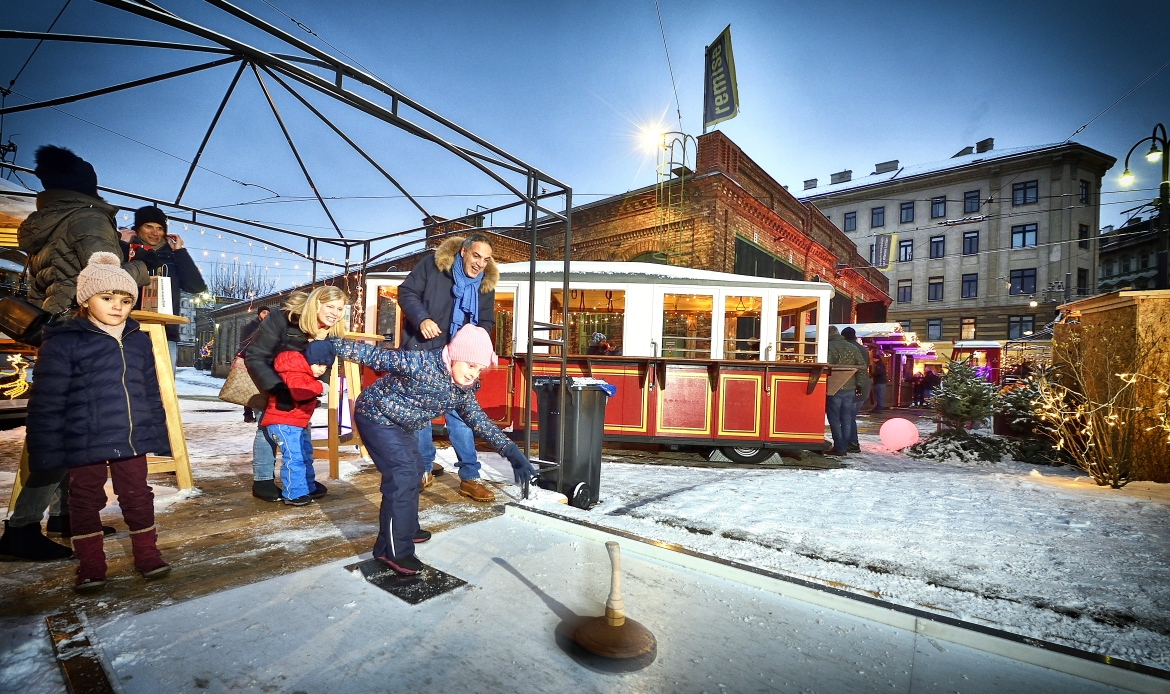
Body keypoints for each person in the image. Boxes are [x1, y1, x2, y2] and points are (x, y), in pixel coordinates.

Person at [0, 146, 155, 561]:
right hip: (86, 333)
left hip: (59, 328)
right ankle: (21, 528)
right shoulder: (87, 217)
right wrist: (146, 263)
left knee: (74, 427)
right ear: (86, 183)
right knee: (66, 430)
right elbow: (110, 279)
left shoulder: (45, 223)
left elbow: (41, 287)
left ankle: (66, 515)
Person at [330, 325, 536, 575]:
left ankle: (403, 528)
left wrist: (512, 453)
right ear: (455, 354)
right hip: (375, 415)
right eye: (471, 365)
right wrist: (330, 346)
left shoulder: (462, 391)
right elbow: (374, 356)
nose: (474, 374)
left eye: (480, 369)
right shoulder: (421, 363)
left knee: (415, 469)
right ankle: (394, 551)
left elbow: (480, 422)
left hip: (401, 424)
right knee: (403, 474)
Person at [23, 253, 171, 592]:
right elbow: (47, 400)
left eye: (125, 300)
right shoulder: (64, 340)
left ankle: (147, 554)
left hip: (130, 436)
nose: (117, 307)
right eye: (107, 298)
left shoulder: (137, 339)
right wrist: (44, 450)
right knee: (85, 498)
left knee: (137, 494)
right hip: (83, 436)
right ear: (86, 299)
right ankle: (91, 565)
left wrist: (156, 432)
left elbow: (149, 390)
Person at [397, 234, 499, 502]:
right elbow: (406, 292)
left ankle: (470, 477)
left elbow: (485, 319)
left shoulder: (485, 284)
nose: (480, 264)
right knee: (421, 415)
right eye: (476, 256)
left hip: (458, 358)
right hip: (424, 350)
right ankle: (423, 469)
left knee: (461, 416)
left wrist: (474, 339)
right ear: (464, 252)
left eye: (485, 259)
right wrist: (422, 319)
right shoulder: (432, 265)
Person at [244, 287, 345, 501]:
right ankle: (262, 480)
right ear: (316, 303)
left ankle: (301, 481)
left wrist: (319, 387)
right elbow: (255, 355)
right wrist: (277, 388)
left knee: (301, 429)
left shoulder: (332, 330)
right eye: (330, 306)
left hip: (301, 386)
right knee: (267, 426)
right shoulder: (282, 318)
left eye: (339, 308)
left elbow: (327, 360)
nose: (335, 313)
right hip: (269, 378)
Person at [122, 205, 207, 366]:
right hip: (127, 330)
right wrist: (122, 245)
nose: (155, 233)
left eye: (160, 228)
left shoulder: (172, 255)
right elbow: (110, 277)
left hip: (164, 333)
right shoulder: (128, 250)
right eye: (149, 226)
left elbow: (195, 286)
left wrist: (180, 252)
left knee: (163, 387)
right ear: (138, 228)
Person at [263, 340, 334, 506]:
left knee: (304, 454)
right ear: (308, 360)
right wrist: (320, 388)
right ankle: (294, 493)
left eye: (326, 366)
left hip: (294, 423)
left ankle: (307, 486)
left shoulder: (304, 373)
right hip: (283, 423)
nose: (322, 369)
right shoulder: (295, 371)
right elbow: (299, 391)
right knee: (294, 457)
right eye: (319, 364)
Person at [825, 326, 867, 457]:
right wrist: (859, 384)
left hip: (834, 387)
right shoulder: (852, 347)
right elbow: (862, 366)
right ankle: (845, 445)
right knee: (847, 418)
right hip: (850, 388)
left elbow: (825, 365)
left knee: (834, 418)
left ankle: (840, 447)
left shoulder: (829, 347)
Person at [238, 306, 271, 423]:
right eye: (264, 312)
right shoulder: (250, 327)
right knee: (249, 387)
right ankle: (247, 413)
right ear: (259, 314)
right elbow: (243, 343)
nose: (266, 314)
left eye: (268, 312)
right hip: (250, 360)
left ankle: (262, 411)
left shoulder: (270, 327)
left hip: (264, 361)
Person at [841, 327, 872, 453]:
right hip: (863, 385)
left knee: (848, 416)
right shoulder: (863, 349)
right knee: (850, 416)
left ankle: (852, 443)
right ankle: (851, 442)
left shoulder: (848, 349)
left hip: (853, 385)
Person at [870, 347, 888, 413]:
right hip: (879, 382)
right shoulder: (880, 364)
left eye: (875, 359)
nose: (874, 360)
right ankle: (878, 407)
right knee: (878, 395)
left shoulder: (880, 365)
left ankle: (879, 408)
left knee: (879, 395)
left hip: (880, 382)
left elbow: (879, 372)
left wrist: (872, 374)